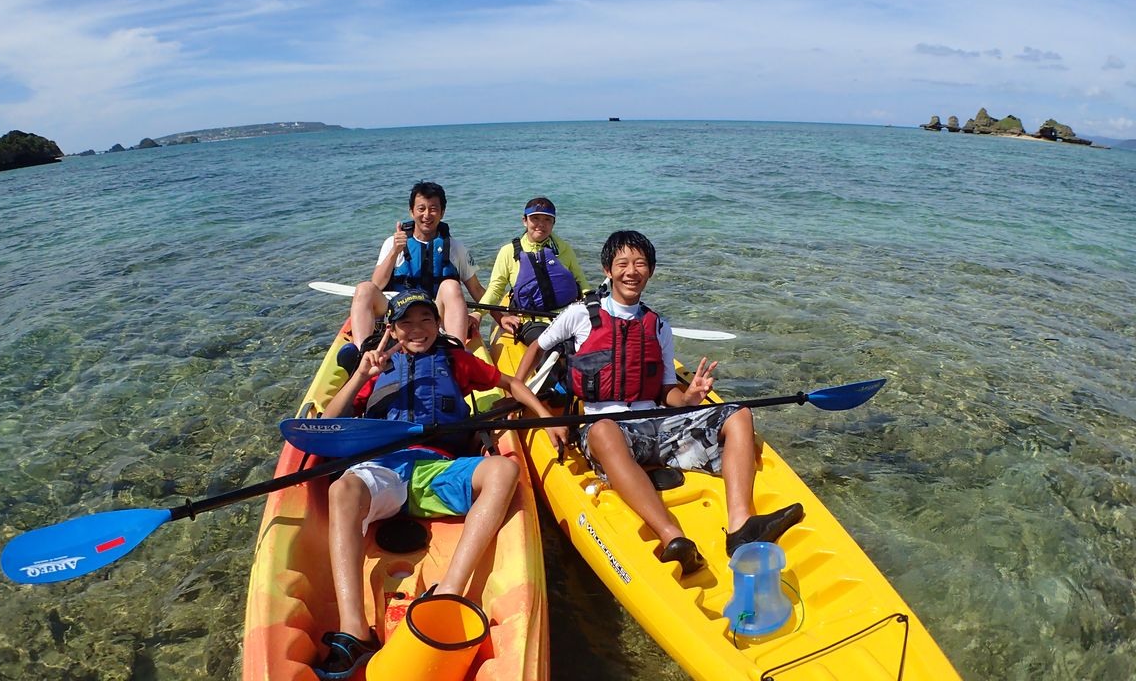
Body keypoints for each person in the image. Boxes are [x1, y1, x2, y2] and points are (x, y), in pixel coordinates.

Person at [515, 230, 803, 575]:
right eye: (622, 263)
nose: (631, 271)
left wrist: (690, 396)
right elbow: (538, 347)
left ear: (650, 271)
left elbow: (668, 393)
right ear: (608, 270)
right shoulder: (579, 315)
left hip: (656, 425)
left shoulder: (657, 326)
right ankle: (672, 538)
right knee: (605, 431)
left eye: (640, 264)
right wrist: (533, 404)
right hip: (606, 429)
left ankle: (741, 525)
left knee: (738, 414)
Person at [315, 289, 566, 679]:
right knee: (341, 489)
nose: (417, 330)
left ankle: (449, 593)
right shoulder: (376, 368)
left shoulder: (456, 360)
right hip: (385, 468)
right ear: (393, 329)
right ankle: (355, 632)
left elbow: (511, 385)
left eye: (426, 320)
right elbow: (327, 427)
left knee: (503, 471)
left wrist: (547, 421)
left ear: (437, 324)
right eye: (406, 323)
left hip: (438, 472)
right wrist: (361, 376)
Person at [342, 181, 486, 371]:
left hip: (433, 313)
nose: (427, 215)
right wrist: (395, 251)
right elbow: (376, 284)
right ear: (411, 211)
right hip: (398, 311)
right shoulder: (393, 243)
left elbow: (476, 289)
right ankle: (364, 355)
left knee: (451, 285)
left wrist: (499, 316)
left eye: (433, 209)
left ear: (442, 212)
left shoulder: (456, 247)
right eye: (421, 209)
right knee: (364, 289)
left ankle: (456, 356)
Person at [480, 197, 592, 341]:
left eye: (547, 220)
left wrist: (593, 302)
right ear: (524, 220)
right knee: (552, 347)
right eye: (535, 219)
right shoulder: (508, 252)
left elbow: (581, 281)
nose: (541, 224)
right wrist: (478, 314)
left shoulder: (564, 249)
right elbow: (495, 289)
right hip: (532, 321)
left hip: (568, 315)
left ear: (553, 223)